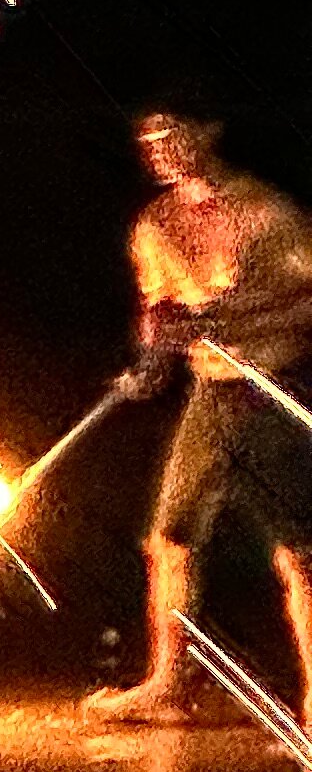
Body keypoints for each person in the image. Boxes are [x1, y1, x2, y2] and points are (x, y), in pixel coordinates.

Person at [84, 106, 312, 727]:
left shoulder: (267, 213)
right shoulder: (155, 225)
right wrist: (152, 358)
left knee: (298, 549)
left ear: (207, 132)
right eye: (148, 139)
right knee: (170, 537)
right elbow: (157, 310)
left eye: (171, 134)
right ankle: (167, 682)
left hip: (274, 389)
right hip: (212, 396)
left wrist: (242, 321)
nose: (159, 149)